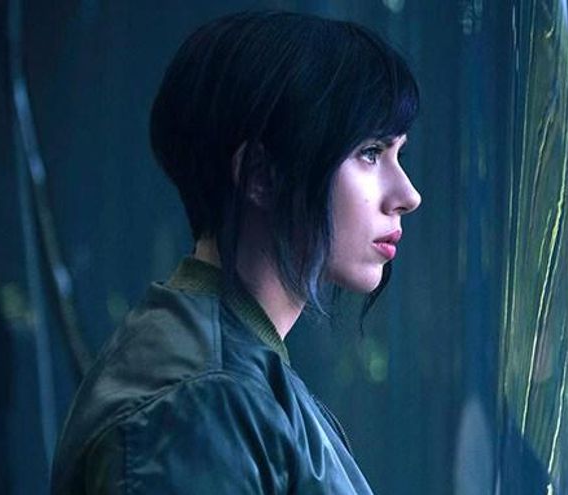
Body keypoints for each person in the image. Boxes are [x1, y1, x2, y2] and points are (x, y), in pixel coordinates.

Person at [51, 11, 421, 494]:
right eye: (369, 153)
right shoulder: (201, 403)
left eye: (398, 154)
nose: (408, 195)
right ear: (260, 175)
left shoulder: (232, 379)